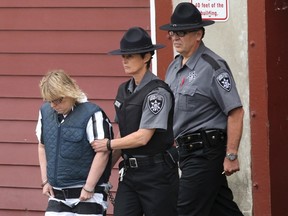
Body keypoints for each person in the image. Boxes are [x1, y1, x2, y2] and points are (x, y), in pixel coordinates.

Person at [159, 2, 245, 216]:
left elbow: (235, 111)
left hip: (205, 152)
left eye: (182, 32)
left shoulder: (213, 66)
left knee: (184, 210)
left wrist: (231, 155)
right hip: (185, 154)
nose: (175, 37)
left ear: (198, 34)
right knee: (222, 209)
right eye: (172, 32)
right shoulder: (173, 67)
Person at [91, 27, 179, 216]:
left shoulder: (158, 93)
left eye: (130, 56)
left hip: (157, 174)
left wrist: (107, 144)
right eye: (123, 56)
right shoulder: (124, 90)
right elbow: (124, 132)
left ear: (146, 57)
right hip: (130, 174)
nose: (124, 61)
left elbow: (142, 137)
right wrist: (104, 170)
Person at [35, 69, 113, 216]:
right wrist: (45, 181)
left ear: (70, 92)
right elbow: (42, 145)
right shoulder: (45, 112)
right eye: (50, 100)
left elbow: (102, 152)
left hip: (88, 194)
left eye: (59, 100)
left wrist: (89, 187)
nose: (54, 105)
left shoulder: (92, 113)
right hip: (57, 195)